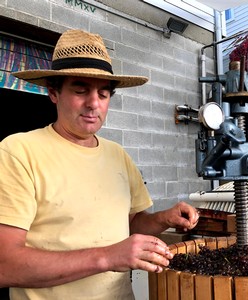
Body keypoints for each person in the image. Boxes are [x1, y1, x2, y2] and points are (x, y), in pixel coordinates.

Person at [0, 29, 199, 300]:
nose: (93, 103)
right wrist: (107, 257)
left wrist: (163, 218)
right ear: (53, 93)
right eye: (80, 90)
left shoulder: (118, 156)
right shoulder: (18, 152)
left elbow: (129, 226)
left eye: (103, 94)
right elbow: (6, 266)